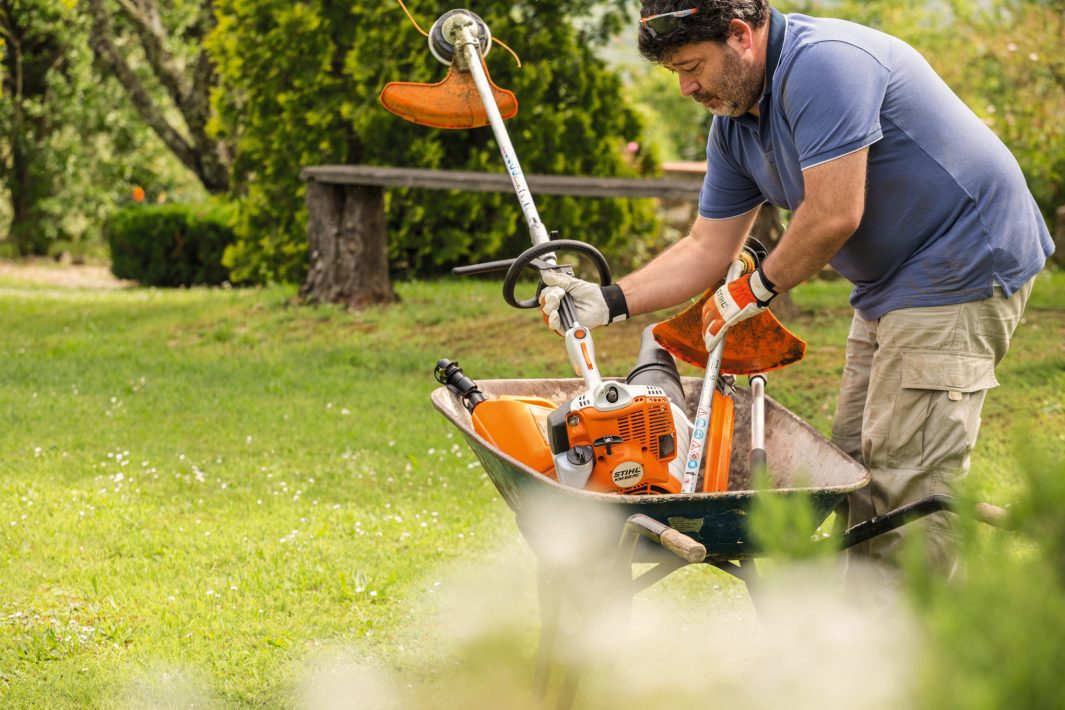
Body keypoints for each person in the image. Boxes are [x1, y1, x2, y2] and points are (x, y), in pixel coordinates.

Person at [538, 0, 1054, 588]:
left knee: (907, 482)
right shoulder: (735, 124)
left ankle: (918, 657)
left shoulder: (824, 66)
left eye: (691, 66)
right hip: (887, 284)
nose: (684, 87)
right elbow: (707, 247)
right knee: (857, 467)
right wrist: (609, 300)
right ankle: (863, 634)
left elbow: (834, 215)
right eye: (674, 72)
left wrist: (757, 288)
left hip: (961, 262)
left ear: (740, 35)